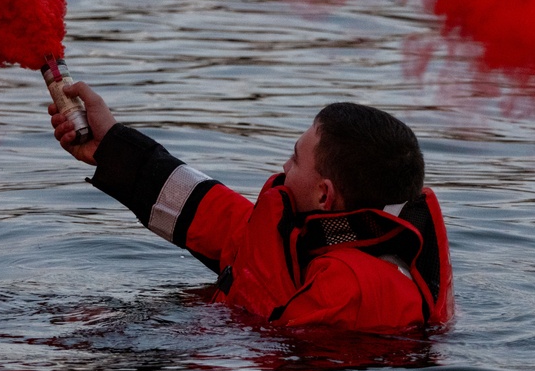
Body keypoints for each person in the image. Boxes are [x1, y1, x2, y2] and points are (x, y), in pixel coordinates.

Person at [49, 82, 454, 334]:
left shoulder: (351, 289)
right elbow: (220, 221)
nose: (283, 168)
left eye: (295, 159)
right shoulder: (339, 240)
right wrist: (113, 149)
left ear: (324, 196)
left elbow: (273, 341)